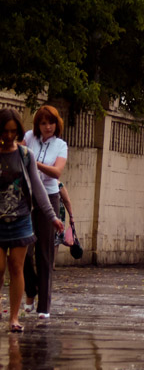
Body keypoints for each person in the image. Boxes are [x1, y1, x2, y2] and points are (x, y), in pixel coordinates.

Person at [0, 109, 63, 332]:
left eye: (13, 131)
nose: (9, 136)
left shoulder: (26, 154)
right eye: (5, 131)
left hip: (23, 217)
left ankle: (15, 317)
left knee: (18, 267)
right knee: (0, 268)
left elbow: (39, 185)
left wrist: (52, 216)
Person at [22, 105, 68, 318]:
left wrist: (34, 163)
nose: (47, 127)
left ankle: (44, 306)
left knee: (45, 252)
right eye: (43, 123)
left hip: (49, 197)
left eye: (51, 122)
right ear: (37, 125)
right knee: (23, 250)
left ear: (56, 124)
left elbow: (56, 172)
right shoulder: (29, 137)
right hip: (26, 196)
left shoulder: (60, 145)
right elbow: (16, 154)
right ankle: (30, 289)